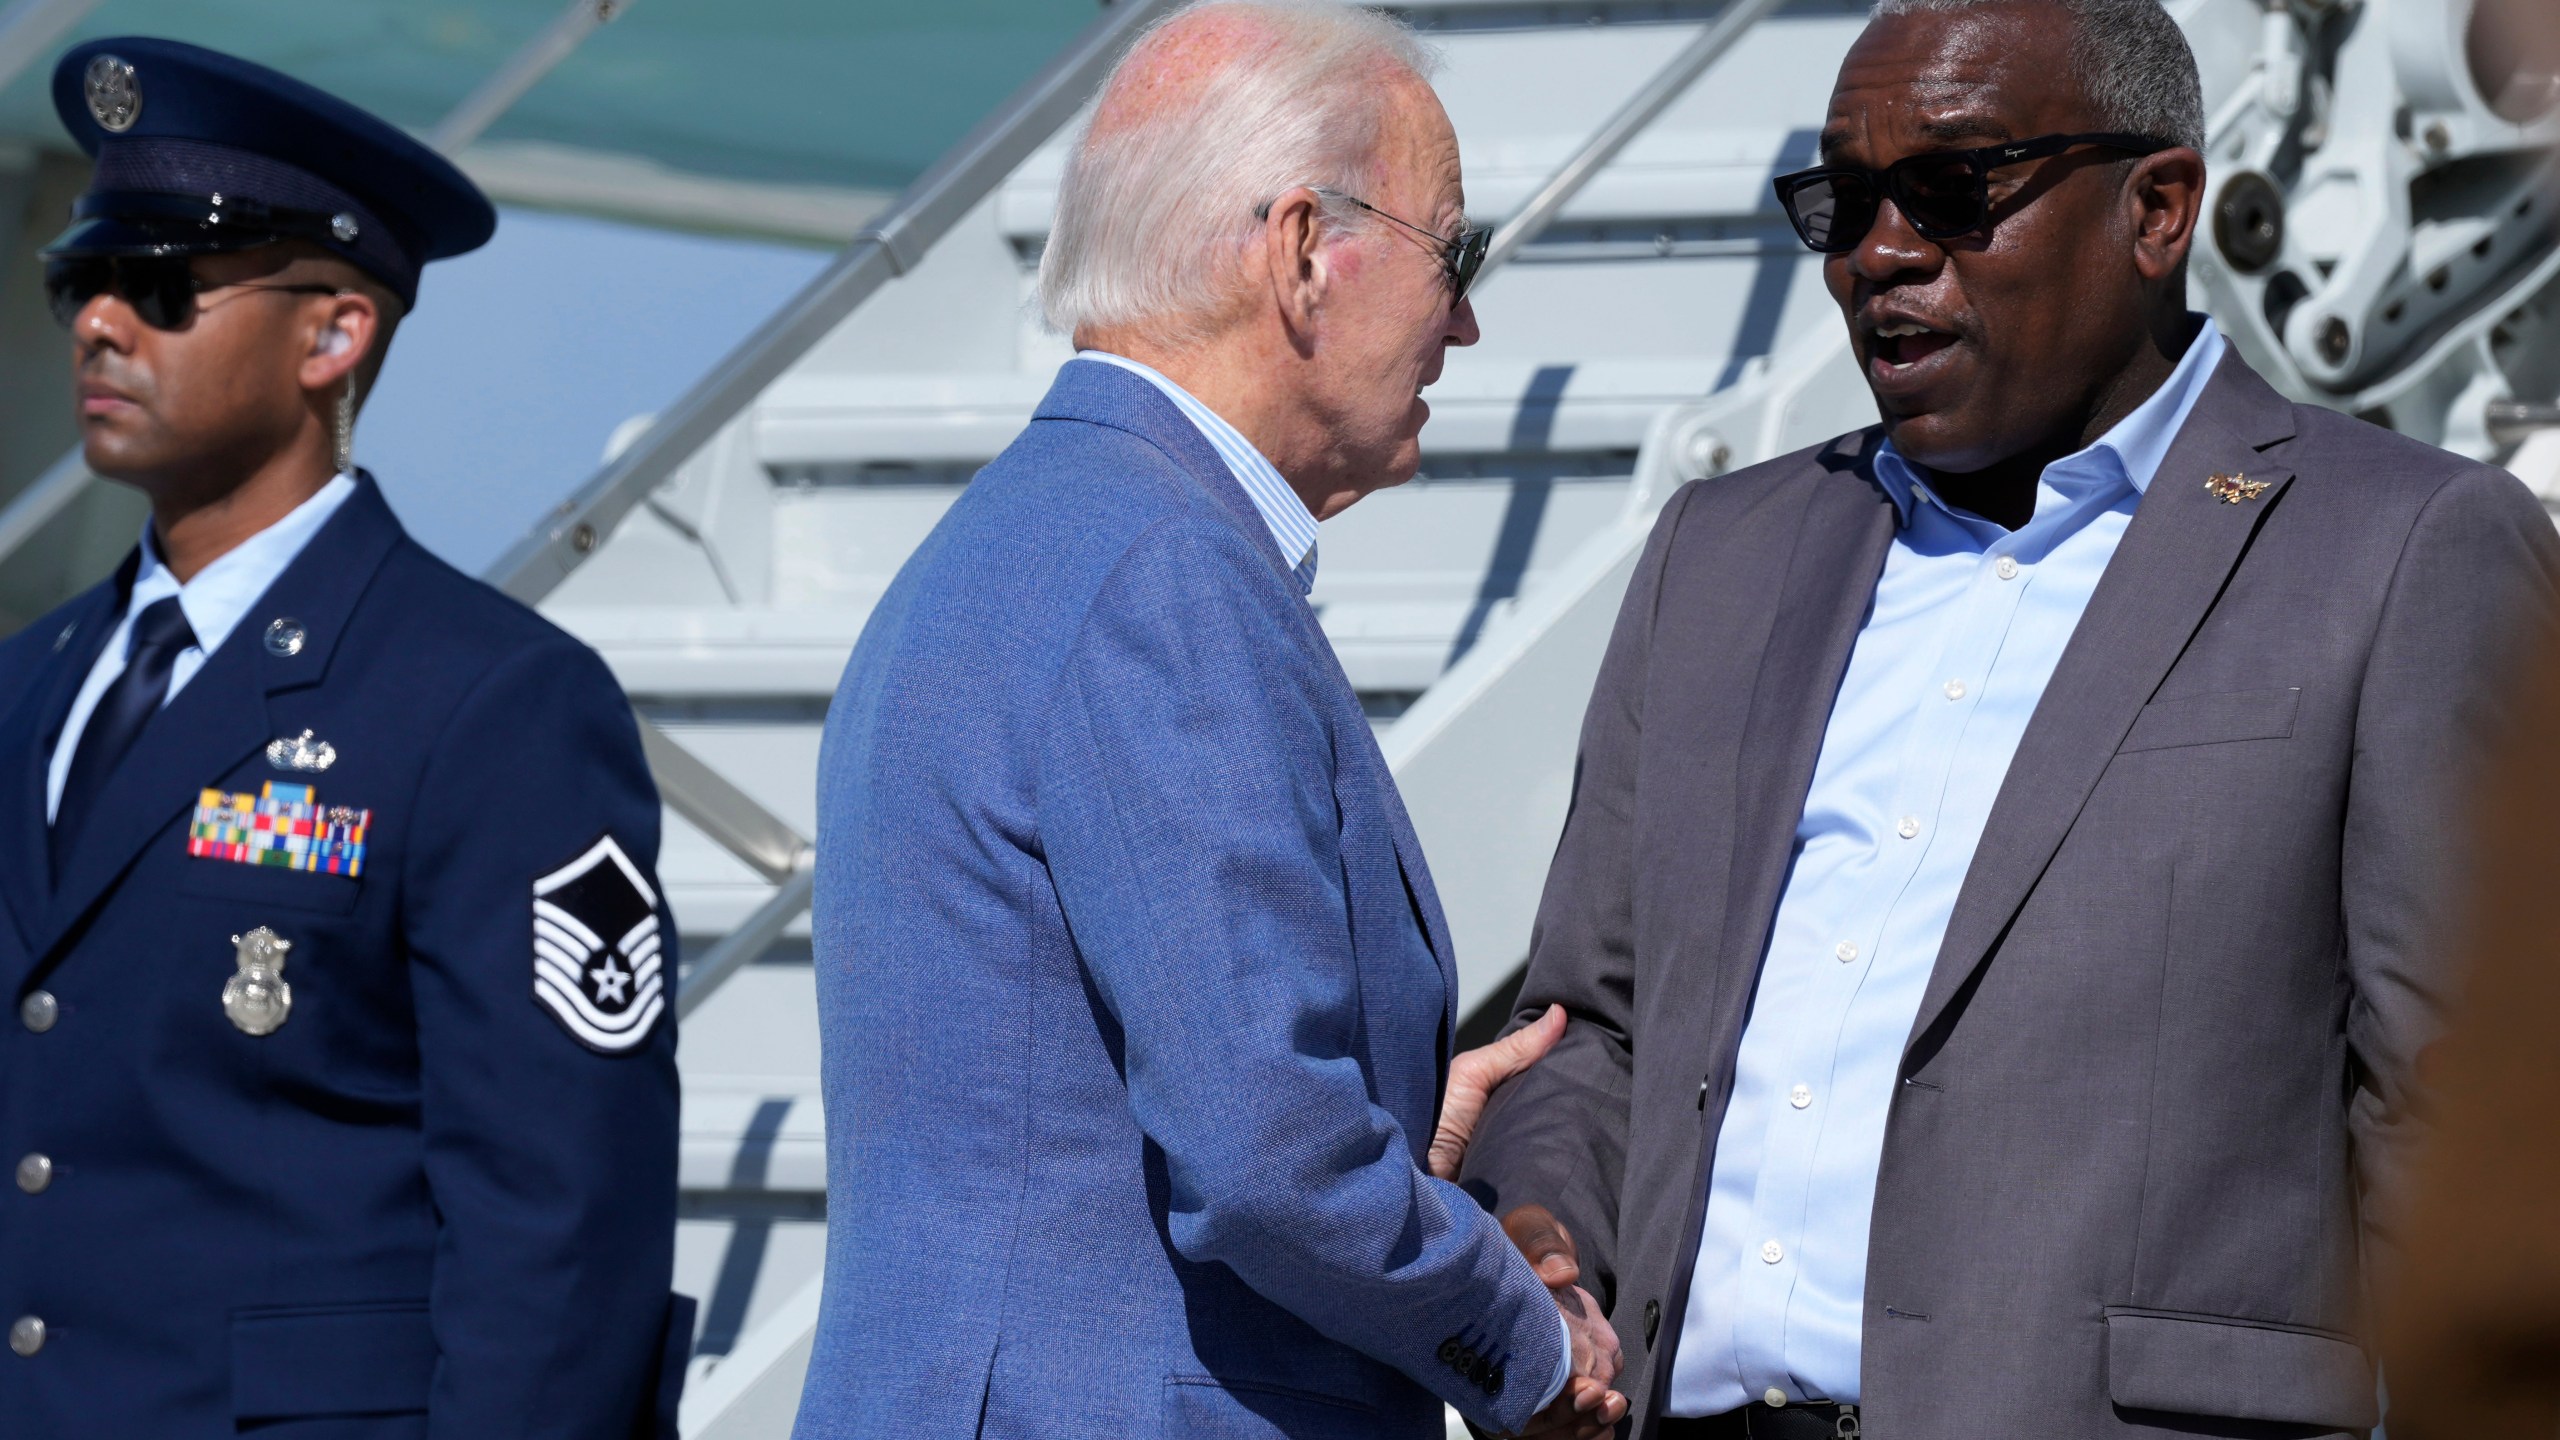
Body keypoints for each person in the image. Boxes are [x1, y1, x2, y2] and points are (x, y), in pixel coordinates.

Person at [1456, 0, 2560, 1436]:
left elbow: (2476, 1139)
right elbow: (1588, 1031)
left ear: (2158, 210)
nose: (1882, 252)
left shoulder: (2409, 550)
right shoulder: (1718, 554)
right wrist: (1549, 1234)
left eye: (1955, 190)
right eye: (1843, 203)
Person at [798, 4, 1625, 1437]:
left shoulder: (1019, 542)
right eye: (1457, 254)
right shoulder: (1165, 575)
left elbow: (1069, 1090)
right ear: (1307, 251)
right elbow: (1264, 1159)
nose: (1469, 318)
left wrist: (1387, 1129)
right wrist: (1528, 1346)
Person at [0, 38, 689, 1437]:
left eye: (163, 285)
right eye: (85, 282)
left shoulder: (490, 704)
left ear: (333, 334)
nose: (99, 325)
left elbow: (561, 1229)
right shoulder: (28, 682)